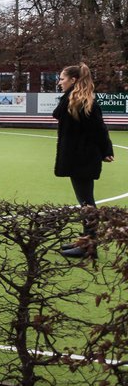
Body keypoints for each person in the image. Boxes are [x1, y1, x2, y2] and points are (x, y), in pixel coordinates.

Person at [53, 63, 115, 258]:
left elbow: (99, 130)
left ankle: (89, 247)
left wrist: (106, 150)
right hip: (78, 158)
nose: (59, 82)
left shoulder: (84, 103)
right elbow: (59, 112)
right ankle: (86, 241)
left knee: (87, 202)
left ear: (73, 80)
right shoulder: (74, 100)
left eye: (62, 79)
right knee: (85, 201)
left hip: (83, 159)